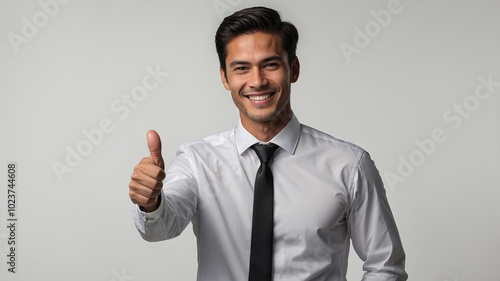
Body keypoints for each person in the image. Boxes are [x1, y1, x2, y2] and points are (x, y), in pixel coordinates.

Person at [129, 6, 407, 281]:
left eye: (270, 65)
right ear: (225, 77)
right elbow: (160, 227)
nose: (257, 81)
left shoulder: (348, 164)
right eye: (241, 68)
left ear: (293, 69)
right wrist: (151, 203)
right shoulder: (197, 160)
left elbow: (385, 265)